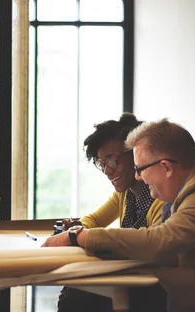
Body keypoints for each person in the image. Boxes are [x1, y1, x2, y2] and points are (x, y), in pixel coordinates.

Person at [42, 118, 195, 311]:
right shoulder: (187, 194)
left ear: (166, 167)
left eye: (140, 169)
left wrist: (77, 236)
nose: (137, 176)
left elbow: (158, 242)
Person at [56, 113, 167, 312]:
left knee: (75, 296)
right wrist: (76, 230)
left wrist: (80, 236)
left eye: (112, 160)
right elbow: (94, 219)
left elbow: (153, 246)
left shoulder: (159, 194)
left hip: (154, 287)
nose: (107, 171)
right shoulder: (125, 194)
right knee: (73, 291)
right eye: (102, 164)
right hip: (131, 277)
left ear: (136, 154)